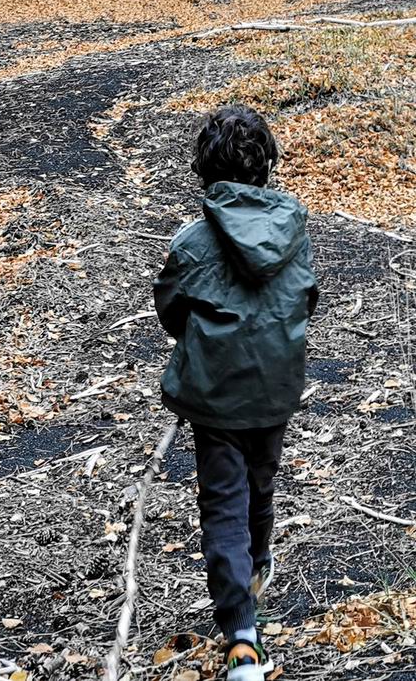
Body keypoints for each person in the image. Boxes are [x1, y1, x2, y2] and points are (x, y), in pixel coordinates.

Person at [154, 104, 319, 681]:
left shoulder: (194, 238)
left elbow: (170, 307)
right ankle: (256, 568)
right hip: (275, 386)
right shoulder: (294, 229)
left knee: (224, 501)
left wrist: (208, 343)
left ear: (205, 168)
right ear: (266, 165)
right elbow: (306, 298)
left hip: (216, 391)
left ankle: (242, 639)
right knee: (259, 485)